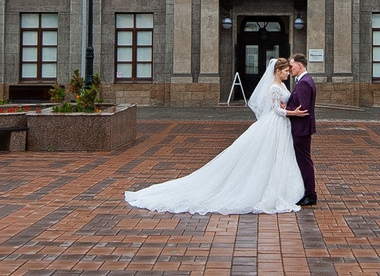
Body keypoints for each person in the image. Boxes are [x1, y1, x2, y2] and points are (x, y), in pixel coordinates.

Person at [124, 58, 307, 214]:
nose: (287, 74)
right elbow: (275, 110)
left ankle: (276, 186)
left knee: (276, 157)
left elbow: (279, 105)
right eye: (284, 71)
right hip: (274, 124)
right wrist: (293, 113)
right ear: (276, 71)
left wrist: (286, 108)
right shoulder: (274, 87)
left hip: (280, 126)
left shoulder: (281, 84)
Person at [286, 54, 318, 206]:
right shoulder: (303, 81)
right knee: (303, 160)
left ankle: (310, 194)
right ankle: (306, 191)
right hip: (301, 128)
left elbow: (303, 108)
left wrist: (286, 110)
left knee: (304, 161)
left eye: (291, 66)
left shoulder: (304, 83)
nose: (289, 69)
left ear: (299, 65)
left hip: (302, 129)